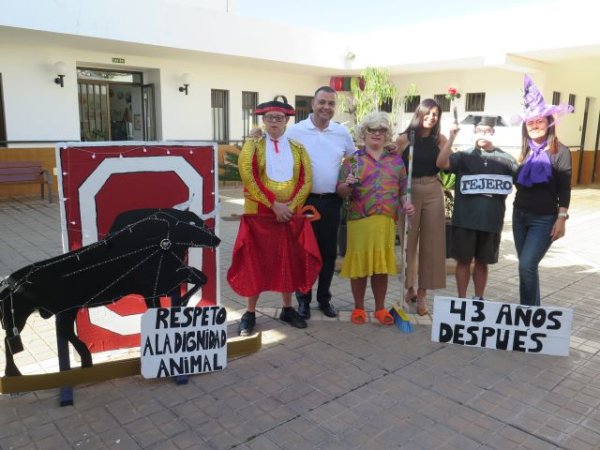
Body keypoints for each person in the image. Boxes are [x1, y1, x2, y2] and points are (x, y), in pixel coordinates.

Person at [227, 100, 321, 336]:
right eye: (270, 118)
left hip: (288, 214)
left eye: (279, 118)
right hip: (259, 214)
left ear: (287, 121)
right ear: (263, 120)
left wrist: (290, 207)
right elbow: (248, 175)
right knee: (253, 260)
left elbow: (306, 180)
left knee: (287, 259)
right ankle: (249, 313)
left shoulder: (298, 148)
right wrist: (273, 204)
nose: (274, 122)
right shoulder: (254, 145)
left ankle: (288, 309)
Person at [336, 112, 415, 325]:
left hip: (386, 220)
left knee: (381, 268)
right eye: (372, 130)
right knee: (360, 267)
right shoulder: (352, 160)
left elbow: (402, 191)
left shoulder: (396, 160)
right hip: (359, 220)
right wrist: (347, 185)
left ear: (386, 134)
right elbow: (341, 192)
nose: (377, 134)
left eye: (381, 130)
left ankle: (380, 309)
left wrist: (407, 203)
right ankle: (359, 308)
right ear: (364, 133)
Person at [286, 86, 356, 319]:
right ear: (312, 104)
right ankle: (303, 300)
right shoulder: (295, 131)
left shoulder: (341, 133)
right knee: (304, 252)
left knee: (328, 254)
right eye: (322, 102)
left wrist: (386, 150)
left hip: (332, 202)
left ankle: (324, 299)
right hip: (304, 201)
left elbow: (355, 159)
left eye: (331, 103)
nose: (326, 107)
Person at [436, 115, 517, 300]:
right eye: (479, 131)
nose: (483, 134)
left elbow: (523, 181)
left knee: (482, 263)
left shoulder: (506, 159)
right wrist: (452, 137)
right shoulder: (464, 156)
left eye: (487, 131)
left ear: (493, 133)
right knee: (463, 262)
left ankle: (479, 298)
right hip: (465, 221)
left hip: (491, 222)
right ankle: (462, 299)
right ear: (474, 132)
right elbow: (441, 163)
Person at [512, 74, 573, 306]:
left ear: (548, 122)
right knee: (527, 268)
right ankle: (532, 313)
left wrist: (562, 219)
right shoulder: (523, 152)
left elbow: (565, 190)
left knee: (526, 265)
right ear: (525, 127)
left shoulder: (561, 151)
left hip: (544, 219)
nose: (535, 126)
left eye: (539, 121)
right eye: (530, 122)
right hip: (519, 216)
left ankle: (528, 314)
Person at [395, 98, 448, 315]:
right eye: (428, 113)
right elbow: (394, 168)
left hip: (433, 190)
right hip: (409, 192)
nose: (431, 117)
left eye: (435, 114)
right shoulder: (404, 139)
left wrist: (452, 139)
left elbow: (445, 164)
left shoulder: (440, 139)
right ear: (419, 114)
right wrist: (400, 196)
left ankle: (423, 293)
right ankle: (409, 289)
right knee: (409, 244)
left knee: (431, 244)